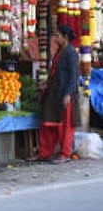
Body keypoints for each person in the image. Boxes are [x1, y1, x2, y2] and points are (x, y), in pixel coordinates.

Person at [36, 25, 79, 164]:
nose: (54, 39)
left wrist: (68, 94)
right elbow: (55, 72)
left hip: (65, 94)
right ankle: (44, 153)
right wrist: (46, 83)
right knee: (49, 123)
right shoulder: (60, 51)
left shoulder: (71, 53)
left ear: (65, 37)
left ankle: (65, 154)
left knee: (65, 126)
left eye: (57, 36)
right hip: (54, 93)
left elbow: (73, 76)